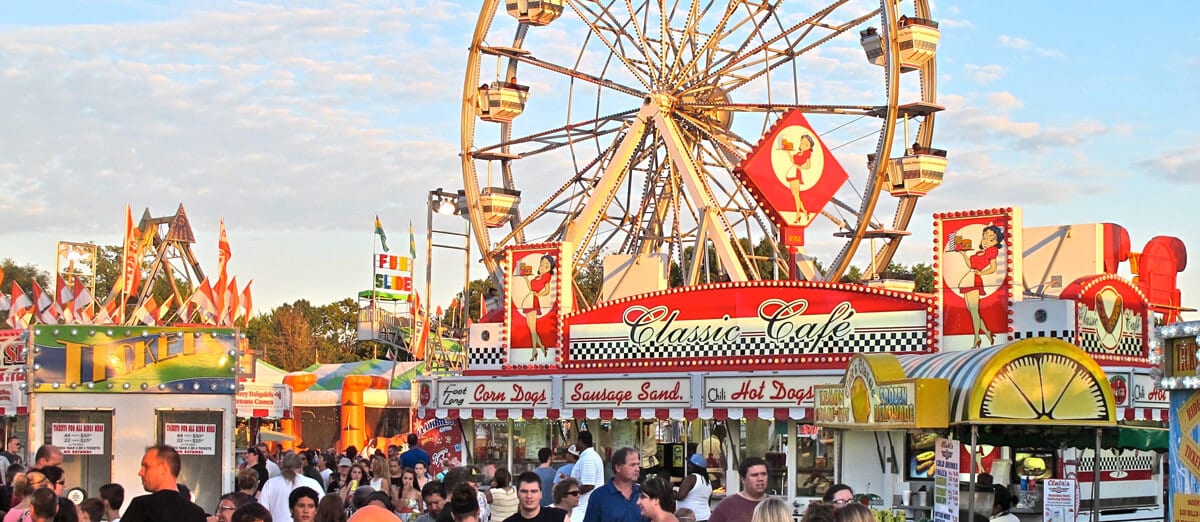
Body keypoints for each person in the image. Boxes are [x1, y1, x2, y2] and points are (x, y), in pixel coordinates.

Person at [123, 445, 207, 522]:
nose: (140, 472)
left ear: (163, 469)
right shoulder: (196, 513)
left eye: (146, 467)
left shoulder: (141, 506)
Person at [955, 224, 1004, 348]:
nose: (986, 241)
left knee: (974, 312)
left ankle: (977, 337)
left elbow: (993, 268)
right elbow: (970, 264)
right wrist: (964, 254)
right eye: (985, 237)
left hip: (975, 280)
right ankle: (987, 332)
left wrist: (981, 272)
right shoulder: (979, 252)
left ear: (997, 241)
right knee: (972, 311)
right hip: (969, 277)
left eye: (991, 239)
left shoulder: (992, 251)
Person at [261, 453, 326, 522]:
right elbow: (323, 508)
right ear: (301, 467)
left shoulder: (270, 484)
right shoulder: (313, 483)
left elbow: (262, 510)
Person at [580, 447, 640, 522]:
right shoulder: (599, 496)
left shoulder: (644, 494)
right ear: (618, 467)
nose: (637, 469)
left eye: (638, 464)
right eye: (632, 465)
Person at [708, 457, 768, 522]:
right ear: (743, 479)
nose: (760, 479)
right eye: (754, 475)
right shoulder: (726, 505)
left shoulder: (775, 505)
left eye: (764, 474)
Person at [520, 255, 556, 358]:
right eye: (542, 263)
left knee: (533, 329)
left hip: (533, 301)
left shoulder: (547, 276)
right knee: (531, 328)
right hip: (528, 300)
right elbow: (531, 287)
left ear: (549, 267)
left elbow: (547, 291)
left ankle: (534, 351)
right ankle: (542, 347)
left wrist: (538, 295)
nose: (543, 266)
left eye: (546, 265)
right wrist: (526, 278)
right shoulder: (537, 277)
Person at [568, 433, 602, 522]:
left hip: (585, 506)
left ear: (580, 442)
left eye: (576, 441)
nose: (575, 444)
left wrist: (570, 493)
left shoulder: (588, 458)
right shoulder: (589, 456)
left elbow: (588, 485)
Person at [675, 454, 712, 522]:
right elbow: (708, 502)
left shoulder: (691, 478)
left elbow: (680, 496)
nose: (688, 466)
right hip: (705, 517)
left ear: (695, 466)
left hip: (690, 518)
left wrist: (671, 492)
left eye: (690, 464)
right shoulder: (708, 481)